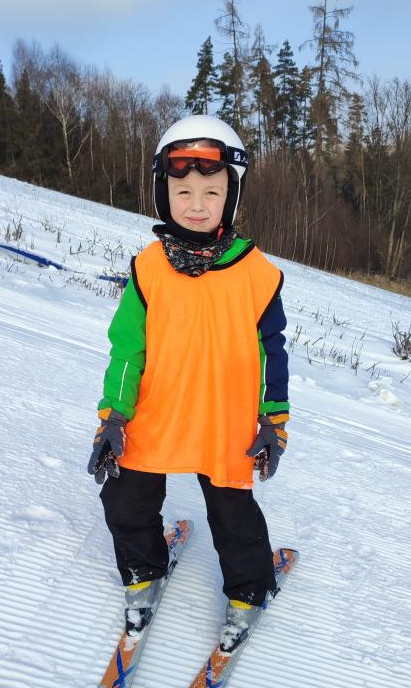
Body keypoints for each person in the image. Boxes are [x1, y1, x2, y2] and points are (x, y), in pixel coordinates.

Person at [87, 114, 289, 652]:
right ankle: (143, 571)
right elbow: (127, 350)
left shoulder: (256, 274)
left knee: (234, 516)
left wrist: (273, 419)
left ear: (231, 197)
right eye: (183, 191)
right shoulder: (149, 268)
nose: (196, 204)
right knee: (125, 503)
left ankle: (249, 591)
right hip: (155, 415)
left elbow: (272, 353)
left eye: (211, 191)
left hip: (225, 423)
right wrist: (114, 416)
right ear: (164, 193)